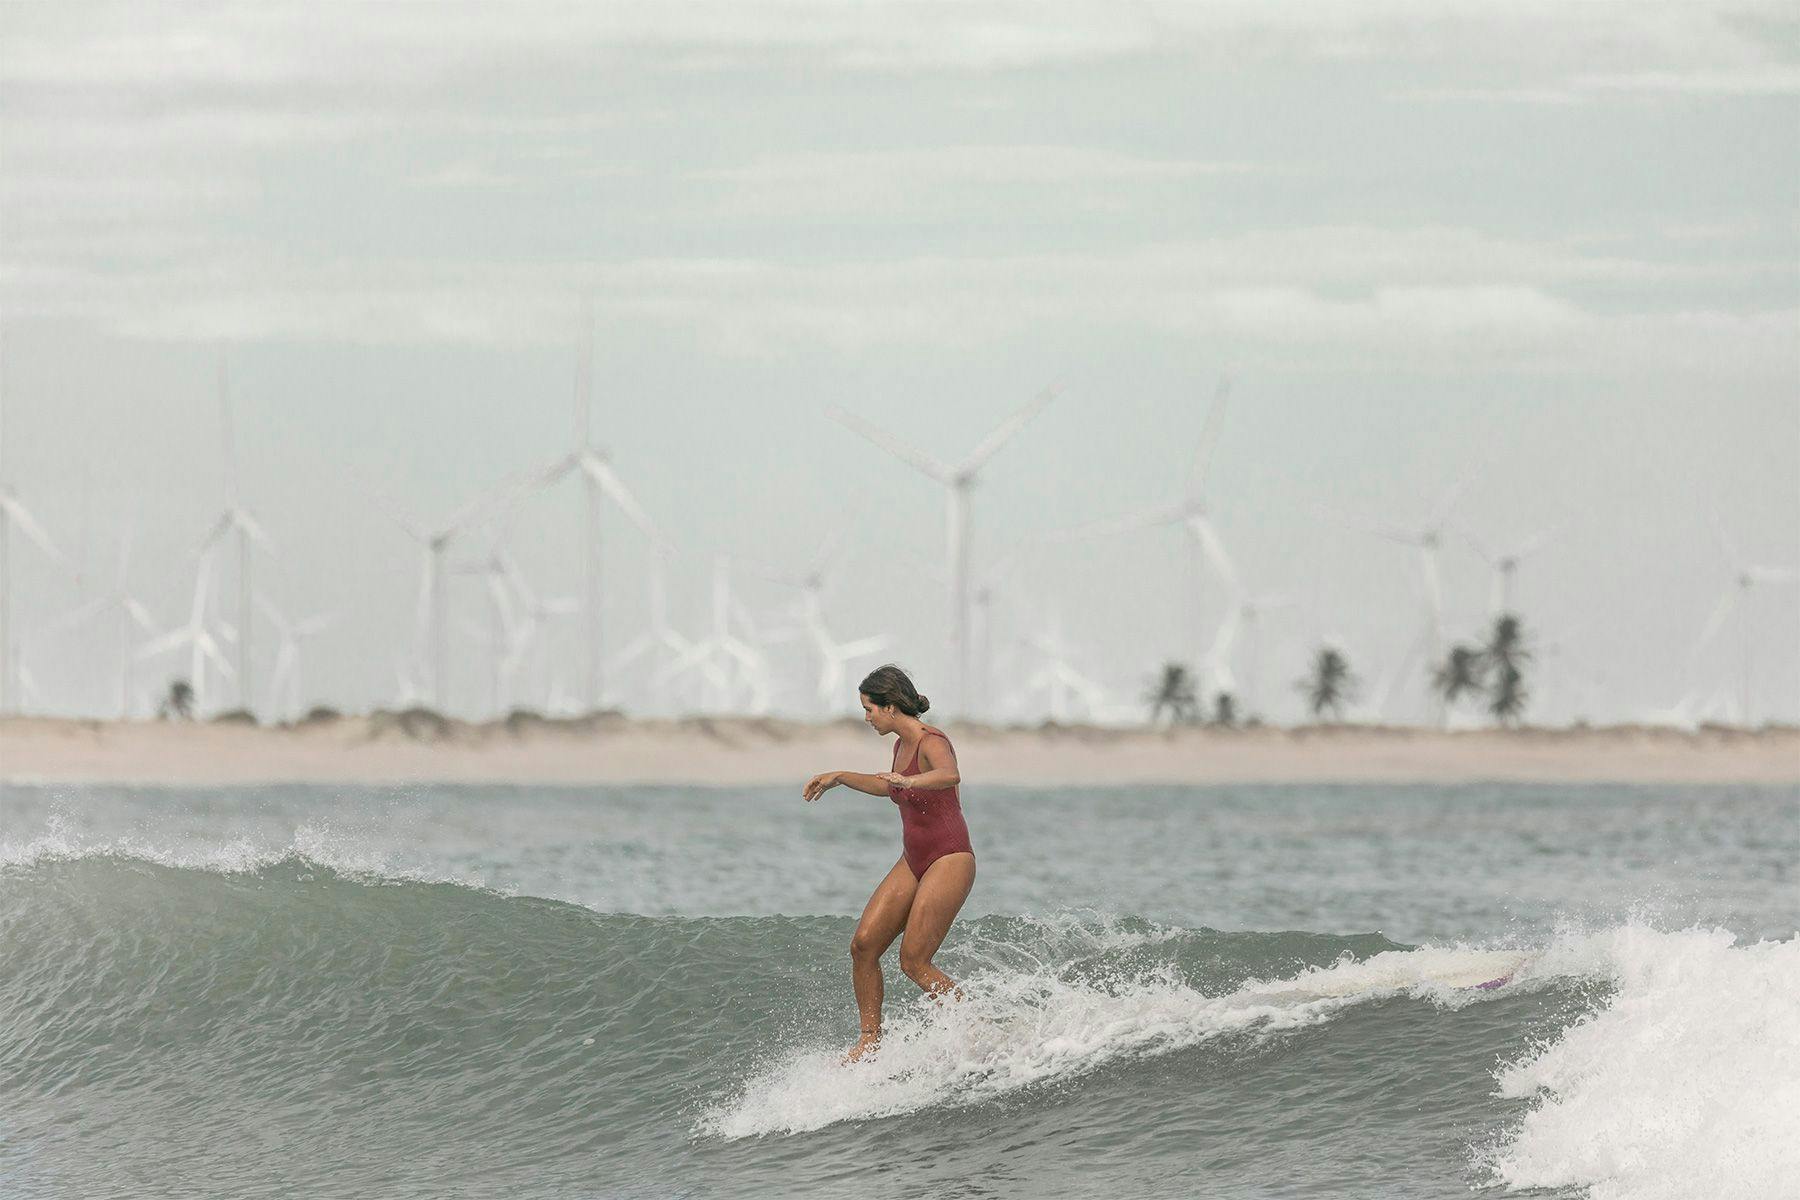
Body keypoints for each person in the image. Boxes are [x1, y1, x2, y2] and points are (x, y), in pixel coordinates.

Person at [803, 663, 976, 1063]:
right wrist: (841, 777)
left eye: (869, 709)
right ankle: (870, 1041)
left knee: (914, 960)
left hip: (949, 858)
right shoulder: (899, 746)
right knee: (863, 945)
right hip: (913, 859)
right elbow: (887, 784)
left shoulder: (933, 740)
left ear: (891, 706)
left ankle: (972, 1024)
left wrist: (911, 782)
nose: (867, 718)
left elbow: (951, 776)